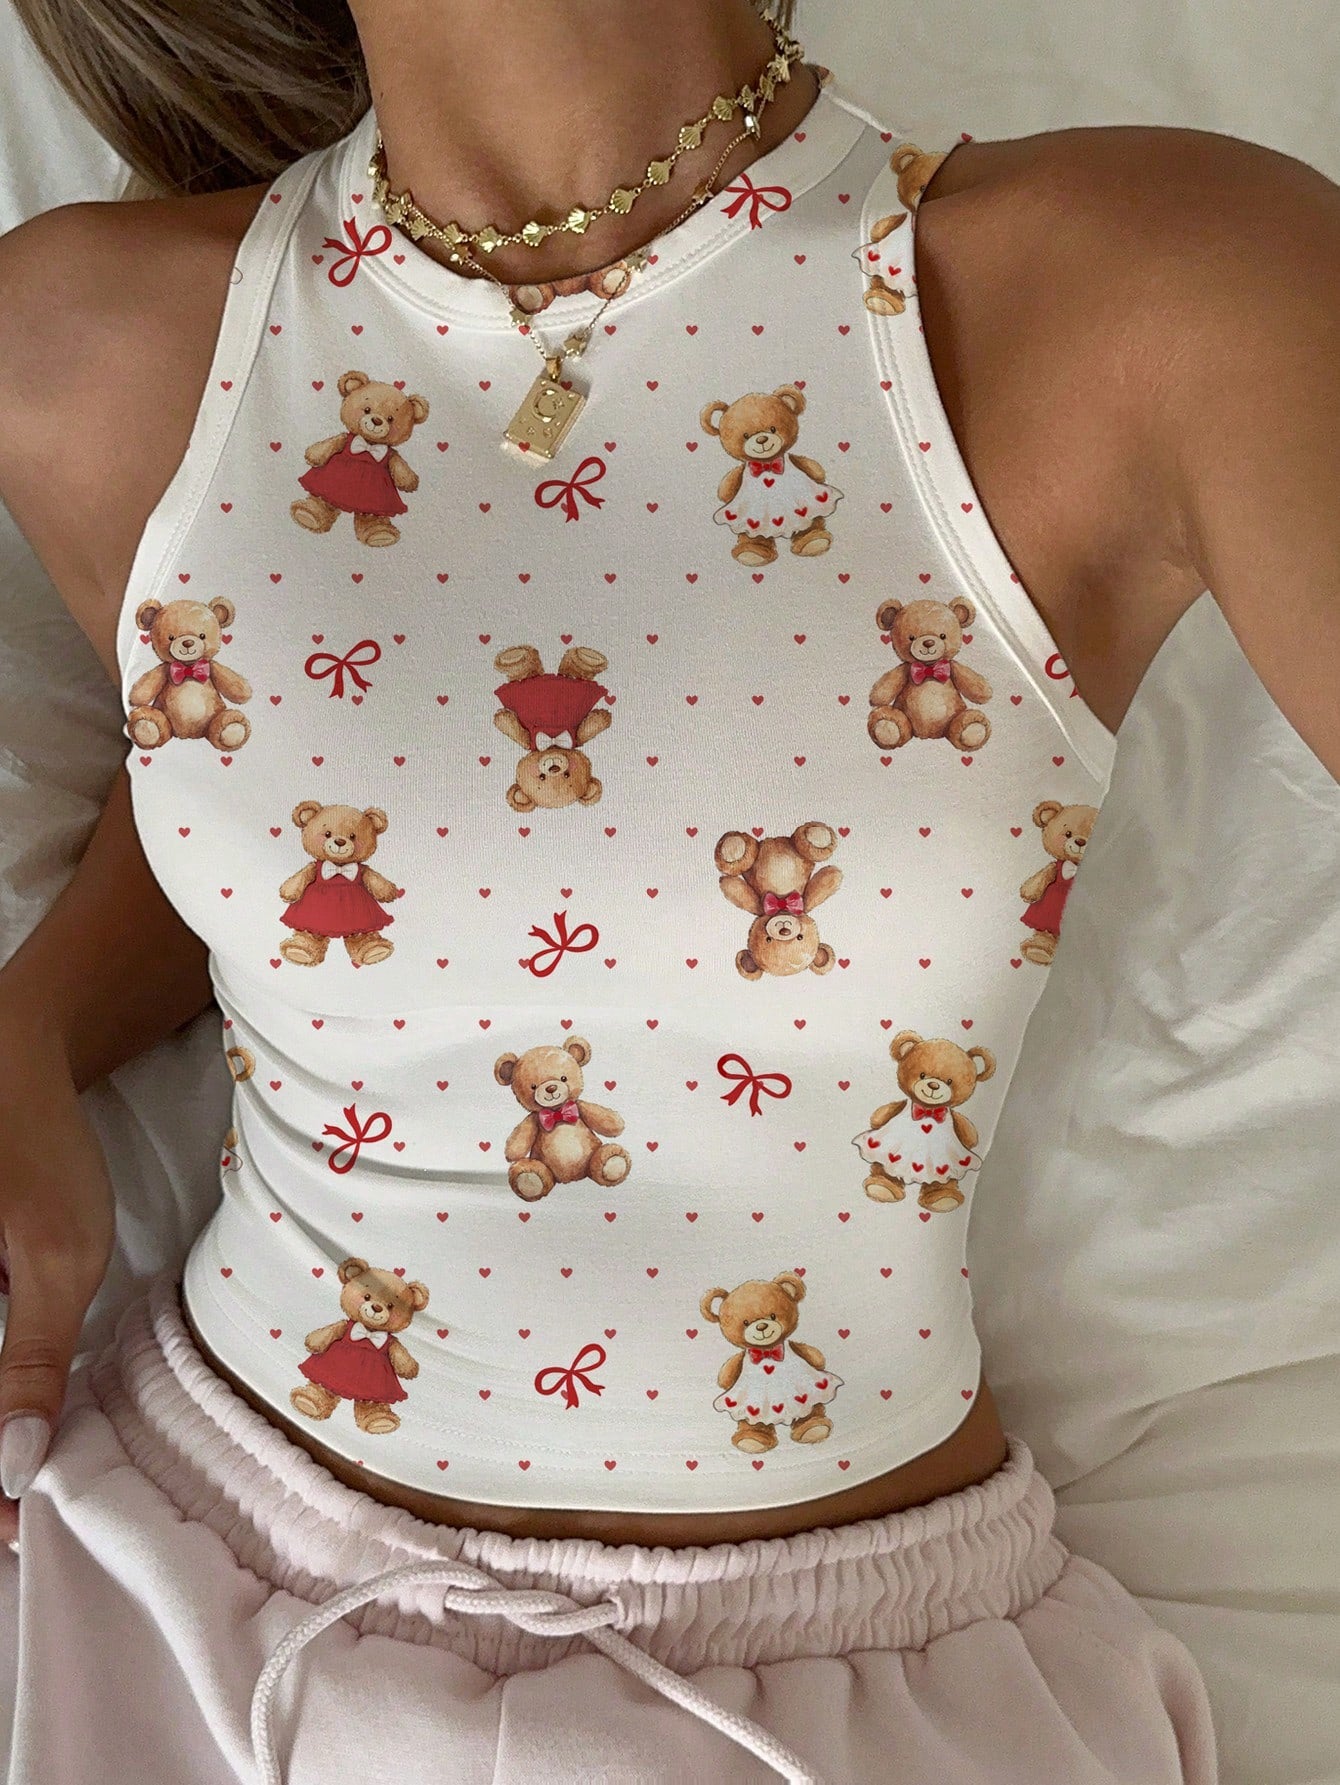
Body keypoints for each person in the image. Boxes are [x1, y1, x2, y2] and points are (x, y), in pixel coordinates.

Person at [0, 0, 1334, 1777]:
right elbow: (306, 825)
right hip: (165, 1630)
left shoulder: (1160, 288)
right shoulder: (85, 349)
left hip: (863, 1703)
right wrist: (27, 1029)